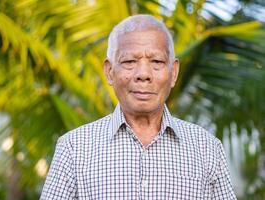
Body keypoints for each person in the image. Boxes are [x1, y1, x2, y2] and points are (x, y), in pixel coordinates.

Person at [40, 14, 237, 199]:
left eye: (157, 61)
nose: (143, 74)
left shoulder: (206, 149)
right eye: (129, 61)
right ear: (109, 72)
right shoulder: (74, 149)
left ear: (174, 72)